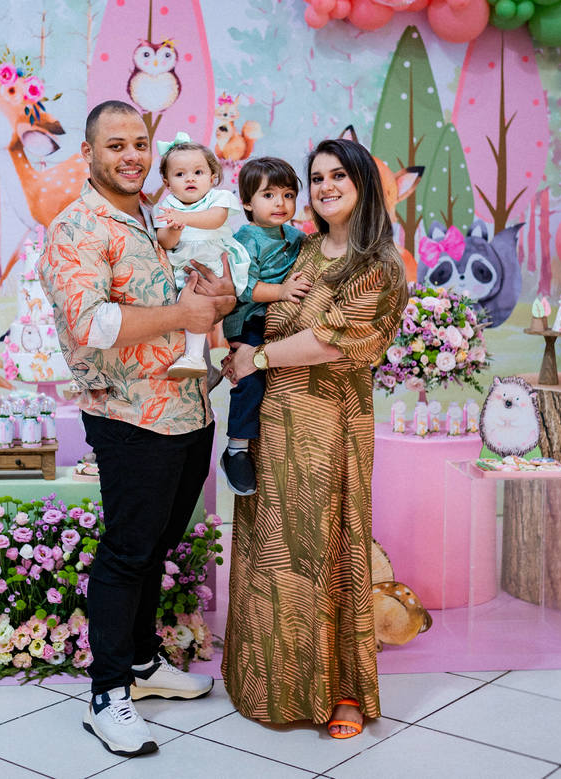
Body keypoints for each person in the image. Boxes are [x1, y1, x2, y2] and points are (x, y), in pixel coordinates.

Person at [39, 100, 236, 758]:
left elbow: (185, 299)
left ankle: (143, 664)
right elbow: (91, 323)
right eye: (115, 144)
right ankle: (107, 693)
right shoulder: (77, 226)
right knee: (127, 552)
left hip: (190, 410)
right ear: (88, 154)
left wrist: (217, 300)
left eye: (139, 144)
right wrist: (182, 312)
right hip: (130, 417)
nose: (131, 156)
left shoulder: (155, 215)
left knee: (155, 545)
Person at [219, 137, 409, 739]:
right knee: (271, 551)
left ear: (363, 185)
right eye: (317, 177)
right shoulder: (297, 248)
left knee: (327, 551)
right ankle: (264, 682)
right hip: (271, 424)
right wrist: (237, 349)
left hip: (329, 429)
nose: (325, 187)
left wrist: (257, 358)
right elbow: (254, 305)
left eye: (339, 176)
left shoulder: (378, 264)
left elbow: (332, 340)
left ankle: (342, 690)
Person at [218, 156, 311, 495]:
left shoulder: (295, 236)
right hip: (249, 319)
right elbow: (244, 287)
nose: (280, 203)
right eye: (269, 195)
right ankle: (236, 450)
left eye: (288, 195)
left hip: (278, 320)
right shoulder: (247, 238)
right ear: (247, 202)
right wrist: (282, 291)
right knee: (251, 380)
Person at [154, 132, 251, 378]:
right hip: (184, 265)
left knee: (197, 300)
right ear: (167, 183)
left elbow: (215, 219)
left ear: (212, 177)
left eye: (198, 172)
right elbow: (165, 241)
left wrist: (184, 218)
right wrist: (174, 229)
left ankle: (195, 357)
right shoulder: (165, 207)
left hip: (213, 260)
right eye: (180, 174)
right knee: (180, 304)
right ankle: (202, 363)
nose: (190, 178)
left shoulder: (218, 198)